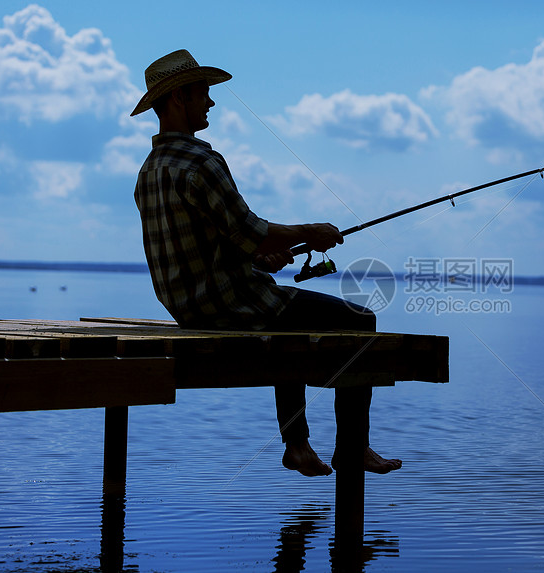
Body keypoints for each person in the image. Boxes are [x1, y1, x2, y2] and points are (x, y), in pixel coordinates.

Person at [131, 49, 401, 477]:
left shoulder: (148, 171)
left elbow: (223, 240)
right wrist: (310, 232)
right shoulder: (201, 161)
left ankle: (297, 445)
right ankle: (352, 448)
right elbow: (251, 227)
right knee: (361, 321)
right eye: (203, 93)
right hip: (229, 303)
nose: (211, 103)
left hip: (186, 308)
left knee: (283, 317)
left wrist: (258, 257)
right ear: (179, 98)